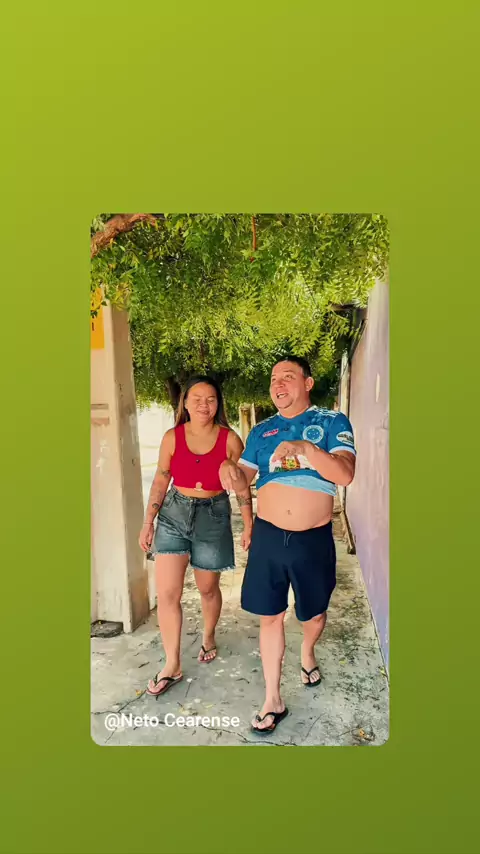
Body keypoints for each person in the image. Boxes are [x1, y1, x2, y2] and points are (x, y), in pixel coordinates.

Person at [219, 357, 356, 734]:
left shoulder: (332, 422)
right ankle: (272, 698)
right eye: (274, 378)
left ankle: (307, 651)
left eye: (288, 377)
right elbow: (243, 478)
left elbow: (345, 474)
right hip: (268, 537)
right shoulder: (262, 431)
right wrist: (229, 471)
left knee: (314, 615)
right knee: (270, 616)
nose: (278, 384)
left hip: (313, 539)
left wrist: (307, 449)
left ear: (308, 383)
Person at [139, 375, 253, 698]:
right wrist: (148, 522)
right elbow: (161, 480)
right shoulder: (172, 438)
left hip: (212, 516)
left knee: (207, 588)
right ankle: (172, 663)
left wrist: (249, 525)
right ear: (185, 403)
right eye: (197, 398)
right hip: (174, 514)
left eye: (211, 399)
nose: (204, 405)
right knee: (168, 592)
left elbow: (243, 487)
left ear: (218, 404)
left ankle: (208, 635)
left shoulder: (230, 439)